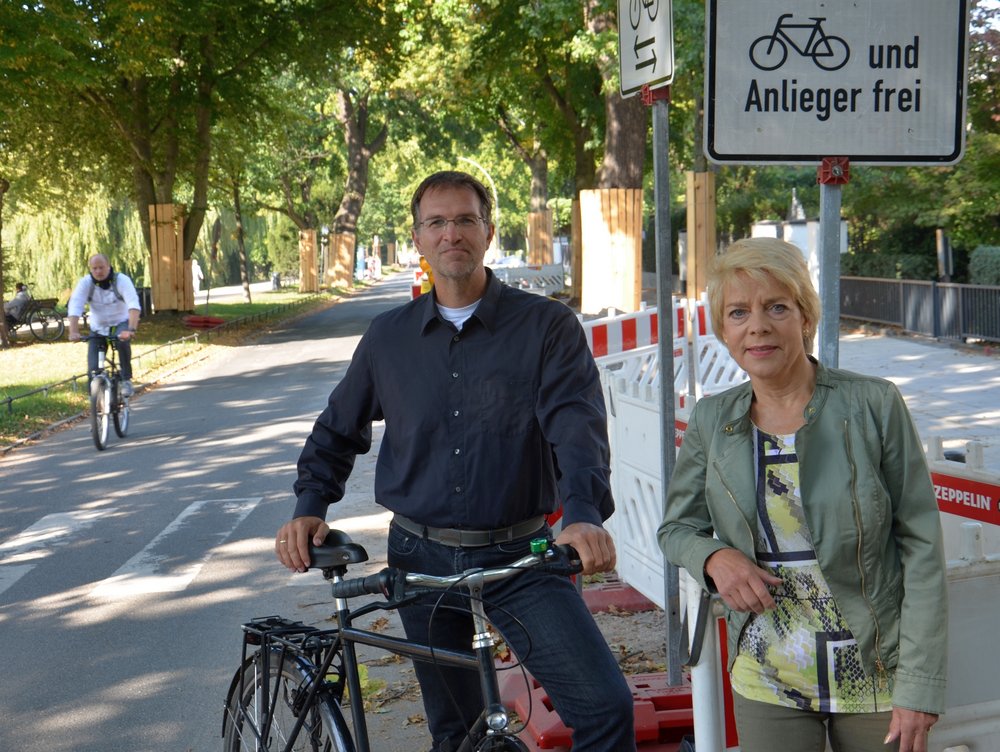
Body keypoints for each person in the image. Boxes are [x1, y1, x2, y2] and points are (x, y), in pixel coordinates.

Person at [276, 170, 636, 752]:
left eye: (465, 219)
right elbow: (337, 429)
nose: (452, 234)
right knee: (459, 734)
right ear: (417, 238)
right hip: (421, 555)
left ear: (488, 231)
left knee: (605, 709)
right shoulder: (388, 337)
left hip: (523, 554)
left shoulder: (546, 327)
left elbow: (578, 430)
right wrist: (309, 505)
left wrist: (585, 513)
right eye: (436, 222)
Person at [657, 238, 947, 752]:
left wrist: (920, 685)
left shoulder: (873, 405)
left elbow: (922, 546)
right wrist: (715, 557)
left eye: (776, 307)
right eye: (739, 312)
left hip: (875, 669)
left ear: (806, 317)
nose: (758, 326)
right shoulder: (712, 419)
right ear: (724, 331)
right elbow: (677, 528)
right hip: (767, 673)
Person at [67, 254, 142, 396]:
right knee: (93, 367)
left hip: (121, 322)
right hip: (98, 327)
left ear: (108, 266)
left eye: (101, 267)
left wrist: (131, 329)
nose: (98, 271)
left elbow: (133, 305)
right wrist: (73, 331)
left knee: (122, 342)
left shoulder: (121, 280)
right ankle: (96, 399)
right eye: (94, 268)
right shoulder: (86, 283)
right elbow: (75, 306)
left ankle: (126, 380)